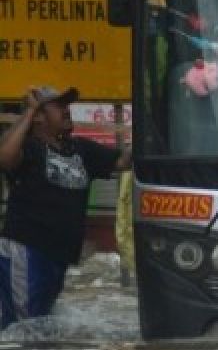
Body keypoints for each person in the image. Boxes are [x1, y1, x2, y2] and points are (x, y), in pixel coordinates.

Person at [0, 86, 130, 329]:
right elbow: (4, 158)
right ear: (39, 116)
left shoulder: (80, 149)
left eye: (67, 106)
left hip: (59, 257)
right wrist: (29, 112)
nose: (67, 111)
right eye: (59, 106)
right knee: (26, 328)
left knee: (38, 324)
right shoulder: (28, 148)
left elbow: (123, 161)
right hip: (27, 252)